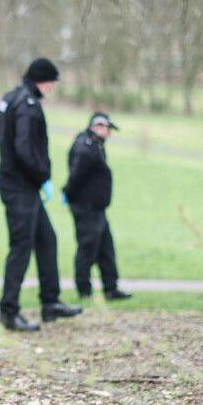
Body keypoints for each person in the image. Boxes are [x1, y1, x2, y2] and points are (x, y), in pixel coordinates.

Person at [0, 58, 82, 331]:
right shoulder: (28, 105)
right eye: (52, 82)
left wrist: (8, 151)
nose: (53, 87)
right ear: (43, 80)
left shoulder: (11, 97)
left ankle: (50, 302)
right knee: (21, 247)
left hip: (17, 183)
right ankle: (9, 311)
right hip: (21, 186)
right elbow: (25, 150)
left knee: (47, 240)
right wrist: (43, 178)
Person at [62, 112, 132, 301]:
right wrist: (67, 193)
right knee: (87, 248)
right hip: (86, 208)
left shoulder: (95, 145)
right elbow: (75, 176)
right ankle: (84, 291)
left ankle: (111, 288)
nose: (108, 133)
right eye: (106, 129)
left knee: (106, 249)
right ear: (97, 126)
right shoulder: (86, 148)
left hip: (97, 208)